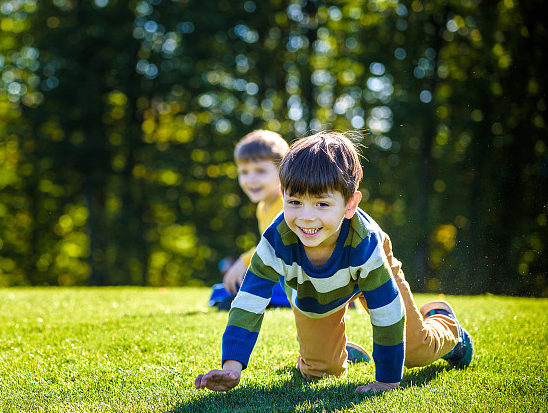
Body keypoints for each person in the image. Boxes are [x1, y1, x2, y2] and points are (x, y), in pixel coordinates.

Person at [196, 132, 474, 394]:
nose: (305, 217)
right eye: (294, 202)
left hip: (367, 276)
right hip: (313, 292)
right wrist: (231, 367)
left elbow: (387, 311)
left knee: (414, 352)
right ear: (283, 196)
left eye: (322, 204)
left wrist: (387, 380)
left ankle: (446, 325)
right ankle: (340, 351)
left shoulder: (365, 244)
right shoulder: (276, 239)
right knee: (321, 371)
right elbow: (249, 300)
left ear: (350, 205)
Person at [209, 130, 291, 310]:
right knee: (222, 290)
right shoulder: (263, 208)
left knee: (245, 289)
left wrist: (245, 261)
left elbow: (280, 245)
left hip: (304, 280)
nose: (251, 180)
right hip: (282, 278)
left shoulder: (290, 203)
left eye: (260, 171)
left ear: (283, 171)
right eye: (244, 172)